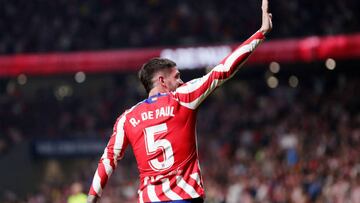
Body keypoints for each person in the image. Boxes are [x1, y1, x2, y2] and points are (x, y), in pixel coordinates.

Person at [87, 0, 272, 202]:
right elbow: (223, 70)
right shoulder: (183, 97)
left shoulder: (127, 118)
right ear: (161, 81)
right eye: (176, 76)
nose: (181, 80)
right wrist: (261, 33)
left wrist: (92, 197)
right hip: (185, 197)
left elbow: (108, 159)